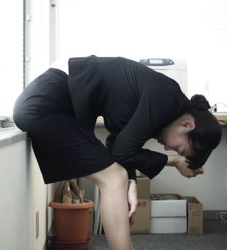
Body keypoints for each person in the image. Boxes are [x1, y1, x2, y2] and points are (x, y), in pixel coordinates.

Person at [13, 56, 222, 250]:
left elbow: (117, 143)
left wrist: (130, 183)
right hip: (46, 103)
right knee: (113, 177)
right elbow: (122, 151)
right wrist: (174, 161)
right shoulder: (165, 98)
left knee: (117, 176)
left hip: (51, 102)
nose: (168, 148)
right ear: (187, 124)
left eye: (175, 151)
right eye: (178, 147)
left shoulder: (166, 103)